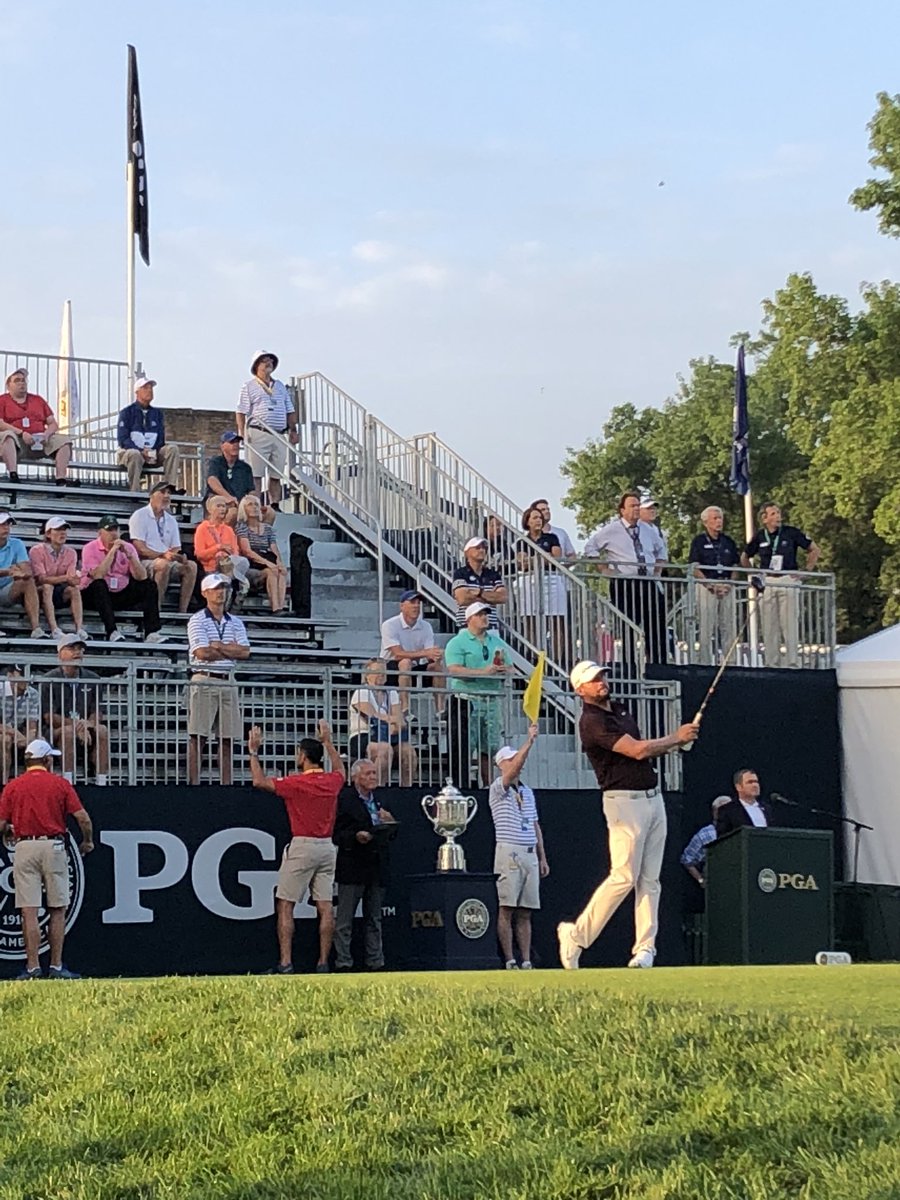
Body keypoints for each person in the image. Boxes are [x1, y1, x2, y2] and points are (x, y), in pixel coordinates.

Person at [557, 660, 698, 970]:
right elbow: (637, 751)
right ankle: (577, 935)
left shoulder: (619, 711)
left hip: (653, 799)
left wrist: (677, 744)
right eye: (594, 680)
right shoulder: (591, 722)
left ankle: (645, 950)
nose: (601, 682)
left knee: (651, 880)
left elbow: (648, 749)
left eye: (602, 676)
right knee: (624, 877)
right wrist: (676, 737)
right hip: (624, 803)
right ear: (580, 690)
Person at [247, 720, 345, 974]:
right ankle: (323, 962)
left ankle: (286, 963)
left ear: (303, 756)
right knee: (325, 906)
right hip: (327, 846)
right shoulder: (332, 782)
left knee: (286, 903)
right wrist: (328, 742)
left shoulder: (296, 782)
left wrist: (253, 752)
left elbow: (258, 781)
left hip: (303, 844)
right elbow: (341, 771)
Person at [0, 738, 93, 980]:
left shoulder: (12, 786)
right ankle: (56, 966)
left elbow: (1, 824)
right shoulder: (59, 784)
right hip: (52, 846)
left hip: (24, 846)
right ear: (47, 760)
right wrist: (87, 841)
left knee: (28, 911)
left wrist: (10, 830)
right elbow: (83, 818)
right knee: (57, 909)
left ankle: (32, 967)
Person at [584, 492, 668, 665]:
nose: (636, 509)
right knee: (628, 626)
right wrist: (604, 569)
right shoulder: (612, 529)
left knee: (656, 626)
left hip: (648, 583)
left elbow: (661, 550)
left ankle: (658, 665)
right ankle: (629, 665)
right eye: (632, 505)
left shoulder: (647, 529)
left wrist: (657, 571)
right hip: (625, 583)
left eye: (638, 505)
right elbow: (590, 547)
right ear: (622, 510)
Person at [489, 725, 549, 970]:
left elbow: (535, 825)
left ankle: (525, 959)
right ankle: (509, 959)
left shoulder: (527, 791)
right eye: (513, 760)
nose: (519, 763)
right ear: (502, 763)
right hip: (509, 850)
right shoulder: (497, 789)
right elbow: (513, 770)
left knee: (526, 910)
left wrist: (542, 856)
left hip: (528, 852)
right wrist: (530, 741)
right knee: (507, 907)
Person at [332, 758, 396, 973]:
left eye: (374, 773)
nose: (372, 777)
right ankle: (343, 962)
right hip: (352, 865)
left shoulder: (381, 799)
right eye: (368, 774)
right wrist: (355, 837)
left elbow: (393, 833)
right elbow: (336, 833)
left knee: (374, 918)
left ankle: (375, 962)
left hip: (376, 866)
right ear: (355, 777)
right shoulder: (345, 799)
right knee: (345, 920)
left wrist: (389, 822)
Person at [186, 574, 251, 786]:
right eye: (216, 588)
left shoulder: (236, 621)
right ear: (205, 593)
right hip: (205, 677)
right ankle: (194, 783)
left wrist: (218, 647)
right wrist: (230, 650)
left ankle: (226, 783)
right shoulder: (197, 619)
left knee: (227, 737)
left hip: (226, 679)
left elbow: (245, 652)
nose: (221, 592)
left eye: (223, 588)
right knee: (198, 735)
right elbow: (202, 653)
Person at [742, 502, 820, 668]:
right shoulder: (759, 536)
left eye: (778, 513)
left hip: (787, 579)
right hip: (768, 581)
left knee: (789, 622)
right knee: (769, 624)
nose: (778, 516)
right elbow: (744, 556)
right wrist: (754, 575)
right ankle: (771, 662)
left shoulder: (791, 532)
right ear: (764, 519)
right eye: (773, 514)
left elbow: (814, 549)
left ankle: (792, 662)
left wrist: (805, 571)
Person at [444, 601, 513, 786]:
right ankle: (463, 785)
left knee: (489, 746)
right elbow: (454, 669)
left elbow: (510, 666)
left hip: (491, 700)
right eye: (479, 614)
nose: (484, 617)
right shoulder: (457, 642)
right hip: (466, 700)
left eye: (485, 614)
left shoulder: (496, 641)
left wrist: (504, 670)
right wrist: (484, 672)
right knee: (465, 745)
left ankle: (489, 784)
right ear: (469, 619)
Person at [80, 515, 167, 644]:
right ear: (100, 533)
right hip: (96, 595)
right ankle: (112, 631)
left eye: (116, 529)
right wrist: (112, 551)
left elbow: (141, 577)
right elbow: (98, 574)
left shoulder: (128, 547)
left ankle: (151, 632)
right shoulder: (90, 548)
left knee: (149, 585)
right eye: (109, 530)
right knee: (99, 585)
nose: (114, 533)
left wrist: (130, 556)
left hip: (120, 591)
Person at [41, 634, 110, 785]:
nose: (77, 652)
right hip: (56, 731)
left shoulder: (93, 679)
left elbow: (97, 711)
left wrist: (87, 724)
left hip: (84, 727)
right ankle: (68, 781)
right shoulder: (49, 679)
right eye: (72, 648)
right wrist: (76, 724)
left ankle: (102, 781)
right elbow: (49, 717)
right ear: (60, 654)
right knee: (68, 732)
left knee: (102, 730)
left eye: (80, 649)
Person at [236, 352, 299, 509]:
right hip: (258, 431)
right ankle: (255, 503)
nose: (268, 363)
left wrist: (293, 429)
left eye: (270, 361)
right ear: (257, 365)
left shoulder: (280, 387)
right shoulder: (249, 386)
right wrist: (242, 433)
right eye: (264, 361)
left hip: (278, 433)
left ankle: (274, 504)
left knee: (276, 474)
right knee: (256, 473)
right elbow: (241, 411)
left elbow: (289, 410)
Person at [128, 482, 198, 613]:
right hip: (145, 561)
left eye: (169, 493)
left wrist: (177, 556)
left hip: (166, 559)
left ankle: (182, 611)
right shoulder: (140, 515)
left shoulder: (171, 520)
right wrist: (163, 555)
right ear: (151, 495)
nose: (166, 496)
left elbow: (176, 547)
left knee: (191, 566)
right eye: (162, 492)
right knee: (162, 564)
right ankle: (156, 610)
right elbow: (139, 548)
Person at [0, 366, 75, 487]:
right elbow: (1, 423)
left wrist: (46, 434)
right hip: (17, 441)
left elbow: (52, 423)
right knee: (7, 436)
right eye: (17, 380)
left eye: (23, 380)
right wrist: (21, 433)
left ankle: (61, 479)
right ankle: (13, 475)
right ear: (8, 385)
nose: (21, 383)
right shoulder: (2, 400)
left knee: (64, 441)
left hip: (40, 441)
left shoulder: (38, 400)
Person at [347, 660, 416, 787]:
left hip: (389, 733)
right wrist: (392, 720)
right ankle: (379, 788)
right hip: (365, 734)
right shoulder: (362, 692)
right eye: (377, 672)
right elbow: (372, 714)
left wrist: (394, 723)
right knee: (384, 749)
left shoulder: (392, 693)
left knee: (408, 752)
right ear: (367, 675)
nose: (381, 675)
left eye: (384, 672)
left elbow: (400, 720)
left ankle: (407, 789)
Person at [380, 590, 445, 720]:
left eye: (418, 603)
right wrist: (427, 652)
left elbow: (429, 655)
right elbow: (397, 654)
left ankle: (441, 710)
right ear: (402, 606)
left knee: (437, 666)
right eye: (412, 602)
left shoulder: (426, 626)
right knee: (405, 662)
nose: (416, 606)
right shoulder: (389, 625)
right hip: (389, 668)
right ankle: (405, 708)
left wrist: (436, 655)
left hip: (413, 667)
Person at [688, 506, 741, 665]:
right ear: (706, 522)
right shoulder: (698, 541)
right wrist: (710, 586)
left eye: (720, 518)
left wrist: (729, 584)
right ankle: (704, 662)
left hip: (726, 586)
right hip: (707, 587)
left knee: (729, 625)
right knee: (706, 626)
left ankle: (730, 662)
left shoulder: (728, 541)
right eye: (715, 519)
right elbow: (694, 567)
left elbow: (736, 565)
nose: (719, 522)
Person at [115, 373, 182, 494]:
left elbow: (160, 439)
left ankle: (169, 487)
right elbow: (123, 439)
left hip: (152, 453)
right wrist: (141, 451)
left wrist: (153, 452)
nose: (149, 391)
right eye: (145, 388)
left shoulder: (157, 414)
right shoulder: (126, 412)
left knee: (172, 449)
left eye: (151, 388)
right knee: (134, 454)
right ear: (137, 392)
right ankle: (134, 491)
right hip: (130, 452)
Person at [513, 505, 563, 659]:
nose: (538, 521)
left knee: (556, 620)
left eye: (540, 518)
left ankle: (558, 658)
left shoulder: (552, 538)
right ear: (527, 521)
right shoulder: (522, 542)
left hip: (551, 578)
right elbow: (523, 563)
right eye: (535, 518)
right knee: (530, 620)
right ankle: (533, 656)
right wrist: (543, 558)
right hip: (530, 580)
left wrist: (534, 560)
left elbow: (557, 559)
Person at [28, 517, 88, 641]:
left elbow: (71, 579)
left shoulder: (71, 553)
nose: (63, 533)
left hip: (59, 590)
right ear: (48, 534)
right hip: (38, 592)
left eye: (64, 530)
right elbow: (42, 579)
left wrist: (75, 579)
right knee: (47, 587)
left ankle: (79, 629)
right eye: (58, 530)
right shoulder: (36, 551)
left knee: (74, 589)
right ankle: (54, 628)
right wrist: (67, 577)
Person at [235, 494, 288, 613]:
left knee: (281, 572)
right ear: (244, 509)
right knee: (272, 572)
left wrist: (280, 563)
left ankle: (281, 607)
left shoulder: (268, 529)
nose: (254, 507)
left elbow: (274, 549)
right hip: (252, 563)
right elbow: (247, 551)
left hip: (268, 560)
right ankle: (275, 609)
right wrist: (269, 564)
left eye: (256, 505)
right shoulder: (242, 527)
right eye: (250, 505)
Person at [0, 512, 45, 639]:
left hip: (6, 589)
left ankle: (36, 628)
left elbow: (26, 570)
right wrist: (8, 571)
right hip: (6, 583)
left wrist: (22, 573)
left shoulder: (17, 544)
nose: (6, 528)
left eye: (8, 524)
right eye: (2, 524)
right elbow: (11, 571)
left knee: (28, 581)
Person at [194, 495, 251, 595]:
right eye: (218, 506)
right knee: (232, 579)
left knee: (242, 562)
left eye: (224, 506)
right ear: (210, 509)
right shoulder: (202, 528)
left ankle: (236, 585)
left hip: (229, 566)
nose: (222, 509)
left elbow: (235, 552)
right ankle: (238, 583)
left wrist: (227, 555)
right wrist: (218, 548)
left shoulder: (228, 530)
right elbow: (200, 555)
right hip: (211, 568)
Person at [451, 536, 508, 629]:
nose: (482, 550)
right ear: (467, 552)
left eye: (484, 548)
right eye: (477, 548)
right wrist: (489, 599)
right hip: (467, 627)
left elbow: (502, 597)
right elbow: (462, 599)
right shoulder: (460, 573)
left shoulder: (493, 574)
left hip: (491, 627)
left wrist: (479, 593)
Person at [680, 796, 732, 887]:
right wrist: (701, 880)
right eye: (722, 810)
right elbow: (687, 859)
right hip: (715, 885)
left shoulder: (742, 830)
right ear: (714, 813)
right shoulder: (705, 834)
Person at [0, 665, 40, 782]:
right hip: (6, 732)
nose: (26, 678)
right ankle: (4, 784)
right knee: (5, 739)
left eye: (29, 675)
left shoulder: (33, 694)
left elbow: (32, 725)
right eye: (22, 674)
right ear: (9, 675)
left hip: (19, 732)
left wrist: (29, 739)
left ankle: (36, 784)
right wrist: (14, 733)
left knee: (40, 743)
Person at [204, 430, 255, 515]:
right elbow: (212, 480)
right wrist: (227, 497)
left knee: (269, 513)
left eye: (237, 442)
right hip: (219, 500)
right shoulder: (216, 462)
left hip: (240, 503)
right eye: (232, 442)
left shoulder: (246, 468)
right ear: (223, 446)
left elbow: (251, 490)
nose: (235, 445)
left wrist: (252, 501)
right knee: (232, 512)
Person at [714, 769, 772, 836]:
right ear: (738, 787)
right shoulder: (728, 810)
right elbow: (723, 838)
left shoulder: (767, 808)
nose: (755, 785)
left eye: (756, 782)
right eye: (750, 782)